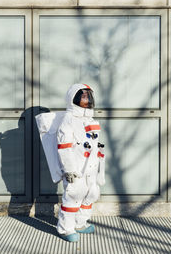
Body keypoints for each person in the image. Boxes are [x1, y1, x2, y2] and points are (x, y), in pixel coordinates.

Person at [56, 83, 105, 242]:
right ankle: (65, 229)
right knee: (73, 196)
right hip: (76, 168)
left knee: (91, 194)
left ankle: (80, 223)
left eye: (88, 95)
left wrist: (100, 167)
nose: (87, 98)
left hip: (91, 167)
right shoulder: (69, 120)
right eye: (82, 95)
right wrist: (69, 170)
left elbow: (95, 144)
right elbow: (64, 148)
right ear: (73, 98)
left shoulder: (90, 120)